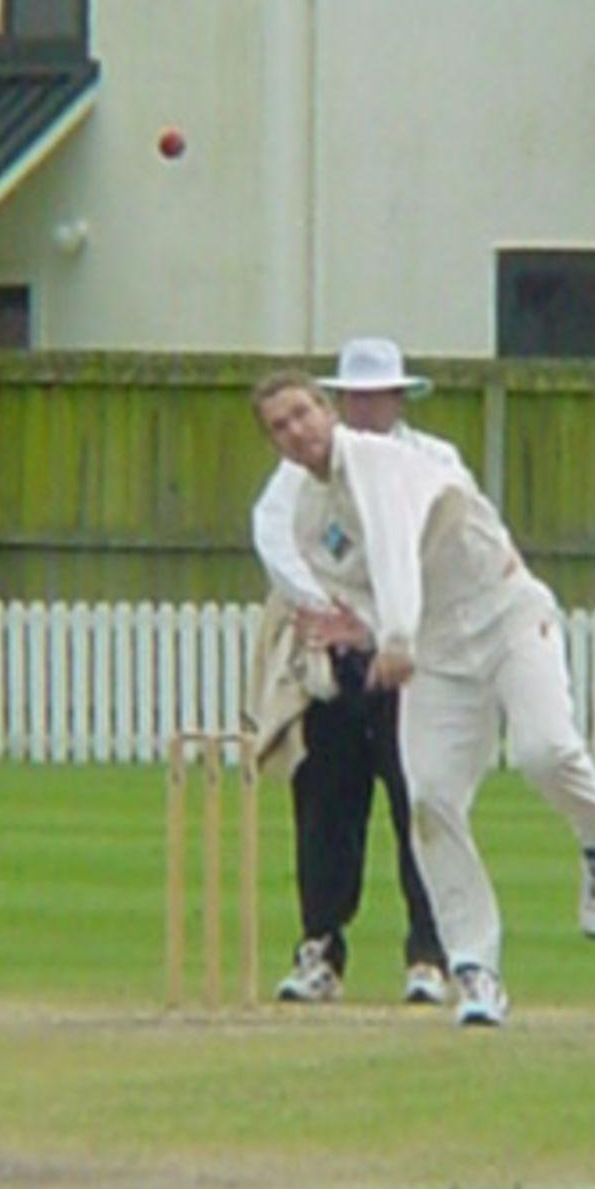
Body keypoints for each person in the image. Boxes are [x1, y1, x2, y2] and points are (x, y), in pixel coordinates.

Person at [251, 369, 595, 1026]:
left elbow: (399, 549)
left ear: (326, 410)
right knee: (430, 798)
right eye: (279, 427)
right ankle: (475, 968)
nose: (296, 433)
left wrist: (392, 636)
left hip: (507, 614)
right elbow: (364, 588)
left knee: (545, 753)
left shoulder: (379, 460)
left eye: (301, 414)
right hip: (438, 652)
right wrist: (368, 629)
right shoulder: (311, 513)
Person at [252, 337, 453, 1005]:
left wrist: (387, 623)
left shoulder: (432, 461)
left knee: (420, 804)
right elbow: (276, 541)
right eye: (353, 396)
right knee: (325, 808)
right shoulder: (296, 479)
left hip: (412, 661)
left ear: (398, 397)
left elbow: (449, 547)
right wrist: (324, 613)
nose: (365, 406)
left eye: (377, 394)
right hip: (335, 660)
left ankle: (430, 954)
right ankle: (320, 952)